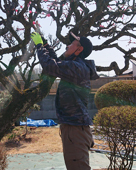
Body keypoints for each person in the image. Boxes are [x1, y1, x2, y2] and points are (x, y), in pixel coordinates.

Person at [31, 31, 99, 170]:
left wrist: (39, 46)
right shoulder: (74, 65)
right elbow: (56, 62)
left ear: (79, 49)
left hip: (75, 129)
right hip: (74, 128)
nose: (67, 46)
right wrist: (46, 45)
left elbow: (50, 66)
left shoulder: (77, 68)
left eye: (71, 44)